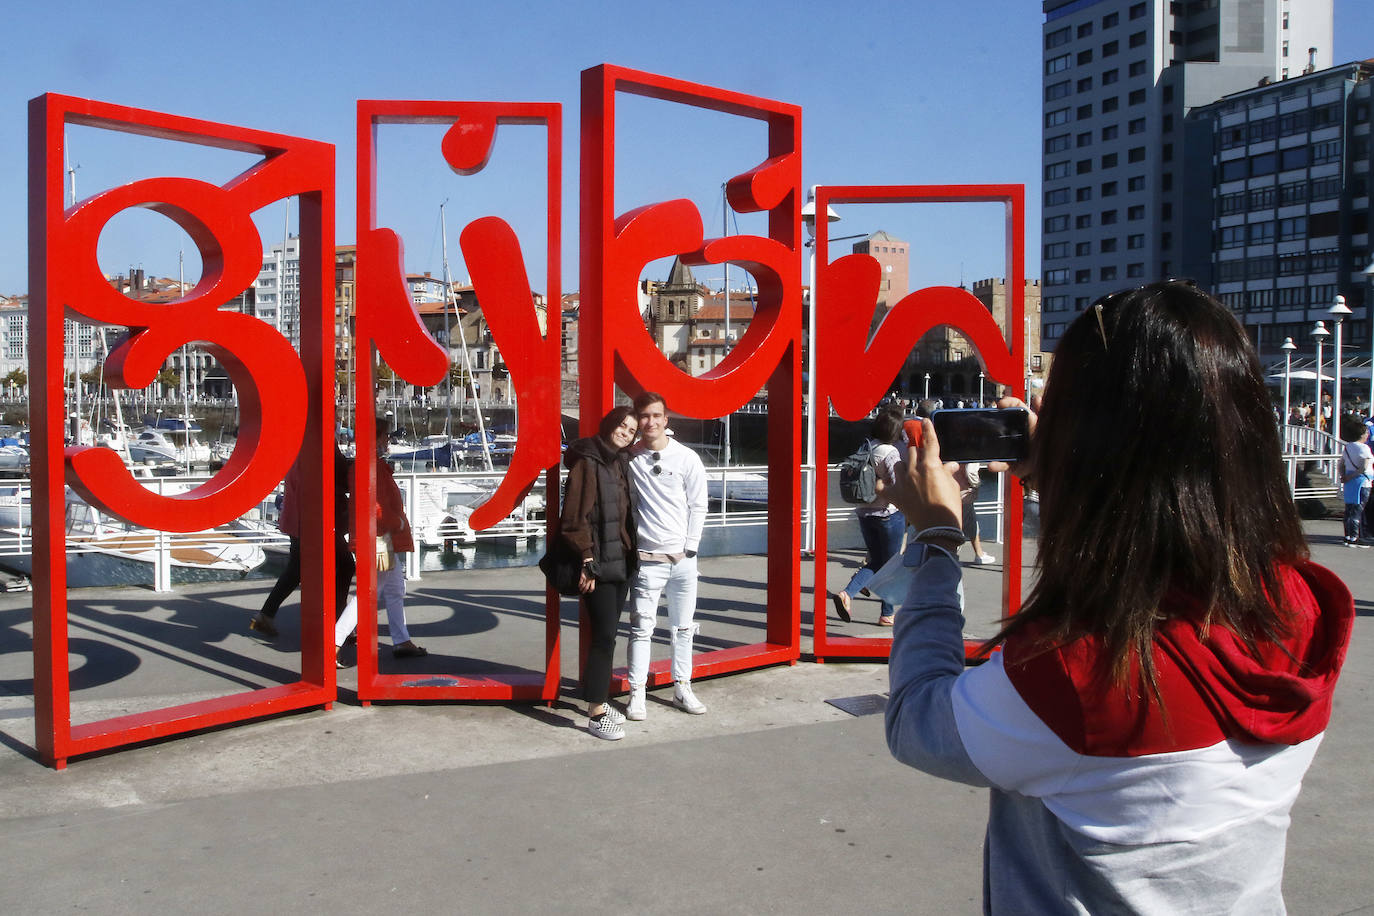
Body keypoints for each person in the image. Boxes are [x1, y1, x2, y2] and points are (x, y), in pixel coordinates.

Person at [881, 281, 1353, 913]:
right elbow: (1169, 514)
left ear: (1094, 437)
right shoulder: (1300, 604)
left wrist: (937, 540)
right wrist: (1067, 473)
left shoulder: (1079, 676)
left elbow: (917, 720)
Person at [624, 391, 709, 719]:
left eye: (656, 416)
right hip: (647, 561)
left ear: (665, 420)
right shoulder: (630, 459)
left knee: (683, 628)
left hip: (684, 562)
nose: (651, 422)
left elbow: (699, 504)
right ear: (638, 420)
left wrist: (691, 548)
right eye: (645, 416)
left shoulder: (686, 458)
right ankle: (637, 694)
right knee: (641, 629)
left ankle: (682, 687)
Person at [558, 406, 639, 740]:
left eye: (631, 430)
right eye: (622, 425)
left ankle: (599, 701)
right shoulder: (588, 461)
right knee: (603, 638)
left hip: (620, 560)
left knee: (608, 636)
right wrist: (586, 561)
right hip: (599, 564)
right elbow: (574, 518)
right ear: (608, 424)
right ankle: (595, 712)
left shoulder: (619, 462)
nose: (625, 432)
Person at [335, 416, 426, 660]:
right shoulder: (371, 467)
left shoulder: (369, 465)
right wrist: (395, 522)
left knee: (395, 588)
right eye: (384, 436)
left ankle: (401, 639)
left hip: (380, 538)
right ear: (374, 439)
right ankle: (334, 640)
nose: (388, 441)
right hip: (379, 539)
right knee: (369, 592)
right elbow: (374, 508)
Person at [249, 444, 356, 638]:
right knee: (345, 565)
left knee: (296, 568)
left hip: (296, 518)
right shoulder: (322, 442)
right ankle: (340, 623)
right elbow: (340, 476)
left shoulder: (297, 444)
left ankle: (266, 614)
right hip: (317, 519)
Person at [831, 410, 905, 626]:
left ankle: (858, 591)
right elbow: (897, 483)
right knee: (890, 566)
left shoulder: (867, 446)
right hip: (887, 515)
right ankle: (884, 612)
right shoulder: (890, 452)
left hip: (864, 513)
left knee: (878, 561)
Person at [1340, 415, 1373, 548]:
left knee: (1349, 510)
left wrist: (1344, 476)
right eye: (1366, 433)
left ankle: (1348, 536)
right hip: (1361, 482)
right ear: (1362, 434)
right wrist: (1353, 475)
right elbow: (1364, 466)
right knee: (1357, 511)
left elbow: (1341, 464)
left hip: (1349, 482)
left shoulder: (1348, 447)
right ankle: (1354, 538)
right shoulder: (1364, 448)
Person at [953, 461, 994, 566]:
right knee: (959, 524)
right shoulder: (968, 454)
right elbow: (971, 472)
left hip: (956, 490)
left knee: (970, 522)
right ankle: (953, 555)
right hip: (964, 492)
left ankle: (979, 553)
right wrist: (976, 485)